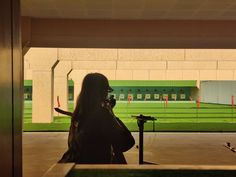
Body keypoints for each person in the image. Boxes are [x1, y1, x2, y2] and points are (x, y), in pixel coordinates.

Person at [58, 73, 135, 164]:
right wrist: (110, 113)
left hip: (79, 165)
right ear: (101, 92)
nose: (106, 94)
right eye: (106, 90)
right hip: (96, 169)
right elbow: (126, 143)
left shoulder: (79, 114)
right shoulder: (101, 114)